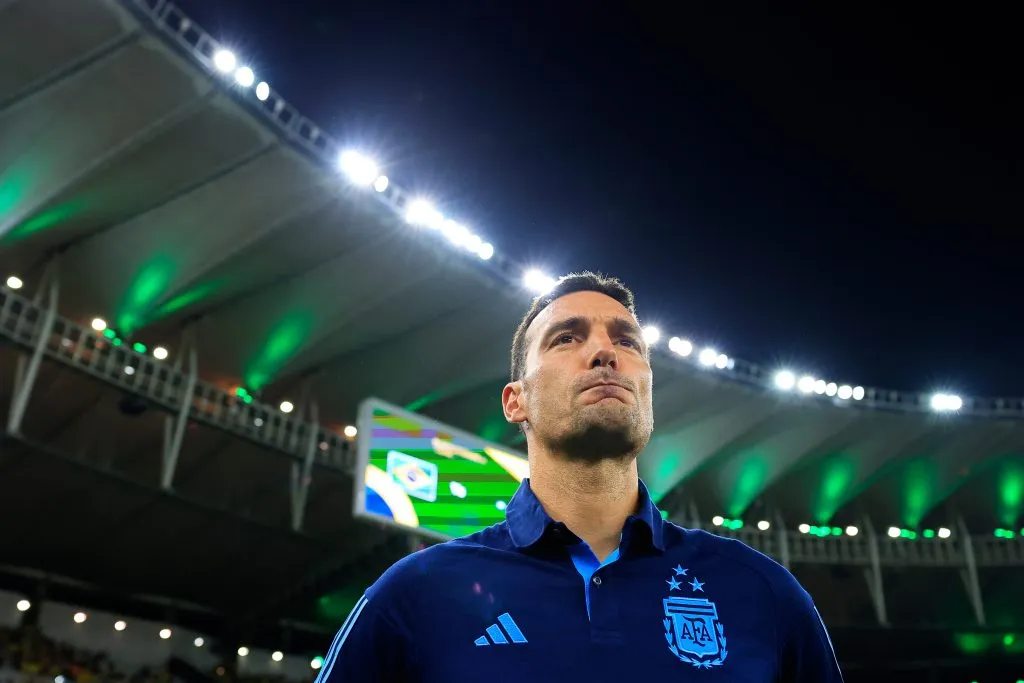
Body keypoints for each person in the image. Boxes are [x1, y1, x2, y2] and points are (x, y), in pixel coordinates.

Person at [321, 271, 844, 682]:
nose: (605, 353)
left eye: (628, 342)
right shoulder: (416, 594)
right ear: (516, 401)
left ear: (648, 390)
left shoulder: (762, 592)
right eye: (566, 338)